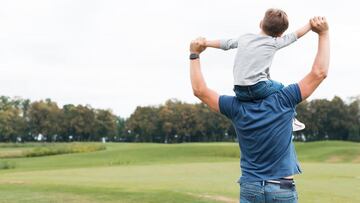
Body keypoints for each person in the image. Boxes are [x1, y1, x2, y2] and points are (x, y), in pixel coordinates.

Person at [189, 16, 329, 203]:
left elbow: (200, 91)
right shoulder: (284, 99)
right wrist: (324, 34)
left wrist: (194, 54)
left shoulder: (236, 107)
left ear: (260, 24)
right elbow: (319, 73)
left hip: (250, 187)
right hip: (281, 188)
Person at [200, 8, 312, 131]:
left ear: (260, 23)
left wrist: (206, 43)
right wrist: (310, 25)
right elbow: (295, 35)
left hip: (239, 90)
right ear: (280, 34)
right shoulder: (274, 42)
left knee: (268, 85)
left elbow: (226, 43)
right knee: (281, 88)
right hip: (259, 88)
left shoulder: (245, 38)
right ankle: (292, 119)